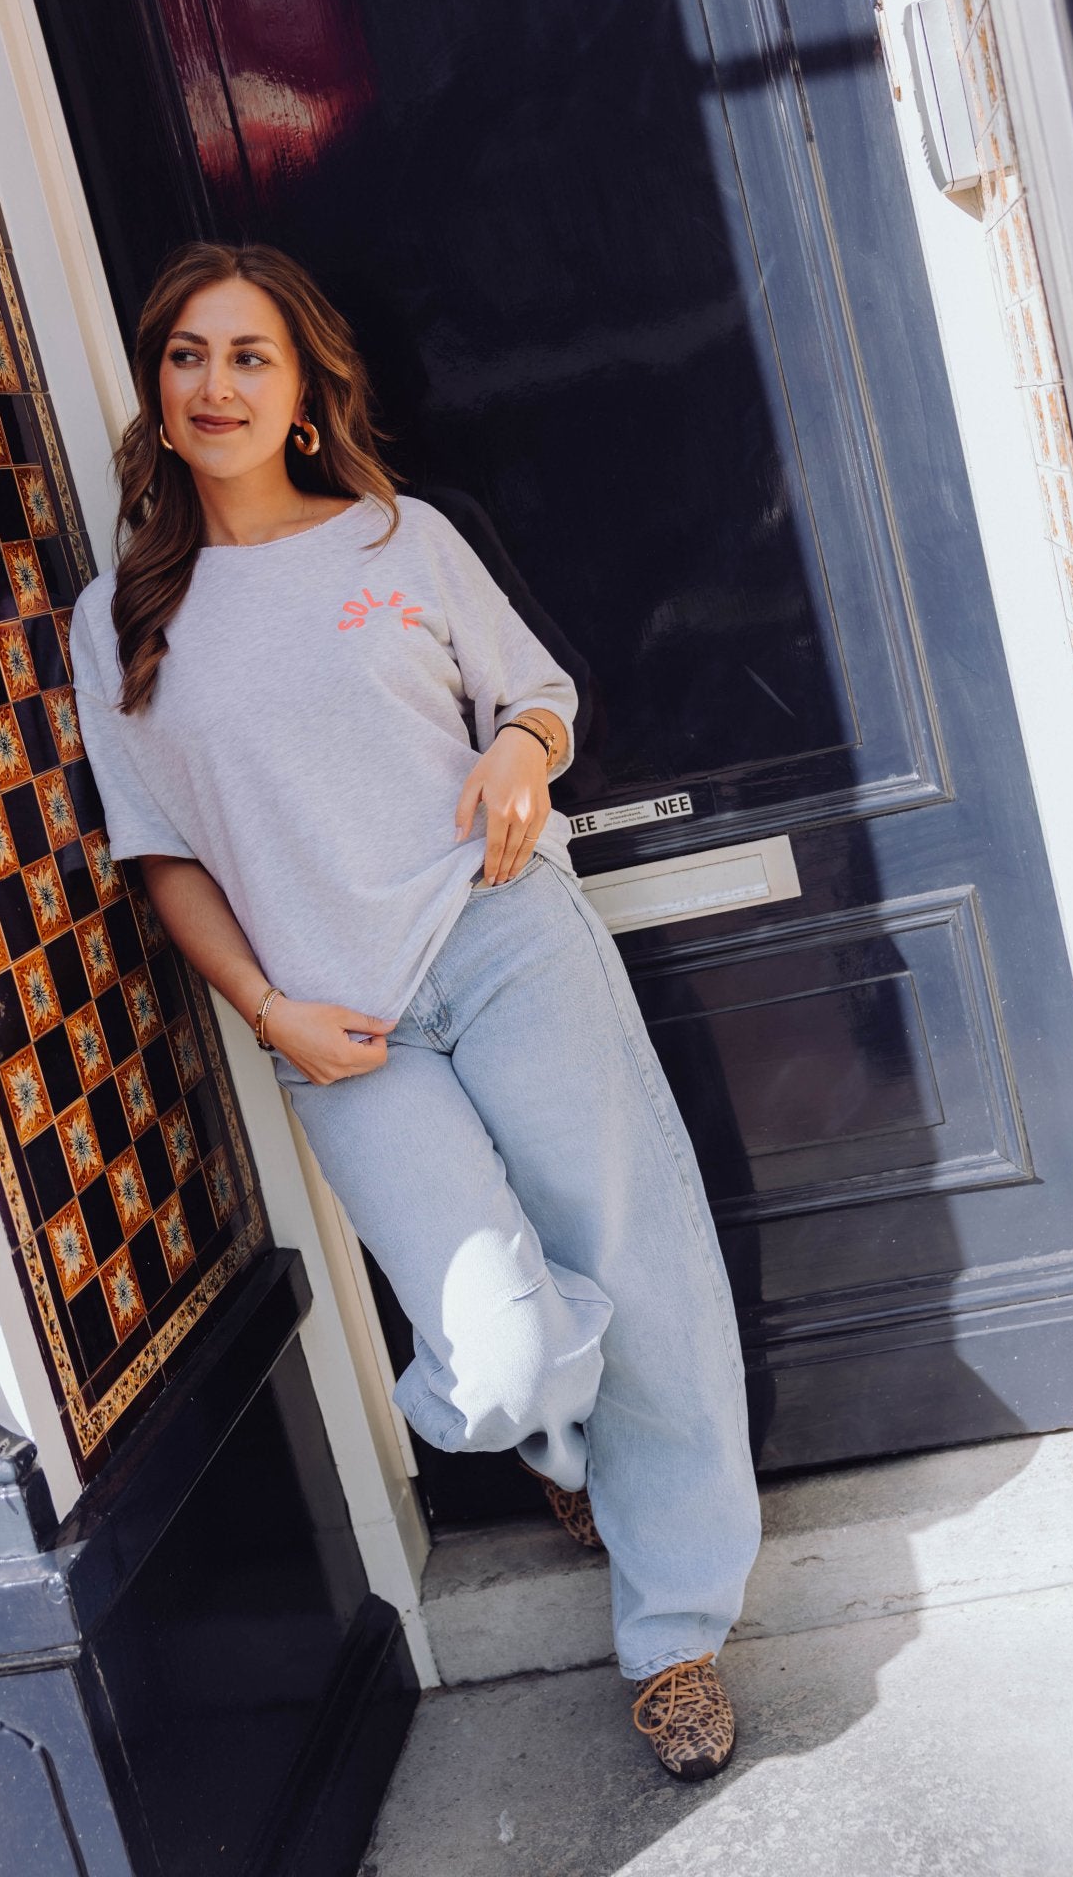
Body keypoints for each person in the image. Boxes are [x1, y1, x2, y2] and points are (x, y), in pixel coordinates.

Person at [69, 241, 762, 1780]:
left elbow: (537, 698)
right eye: (187, 355)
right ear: (156, 388)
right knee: (501, 1361)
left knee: (635, 1266)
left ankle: (675, 1634)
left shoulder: (400, 538)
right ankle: (550, 1429)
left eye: (250, 356)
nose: (216, 385)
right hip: (337, 1028)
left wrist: (518, 750)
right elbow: (162, 857)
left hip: (503, 939)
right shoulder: (118, 619)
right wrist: (269, 1011)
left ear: (303, 389)